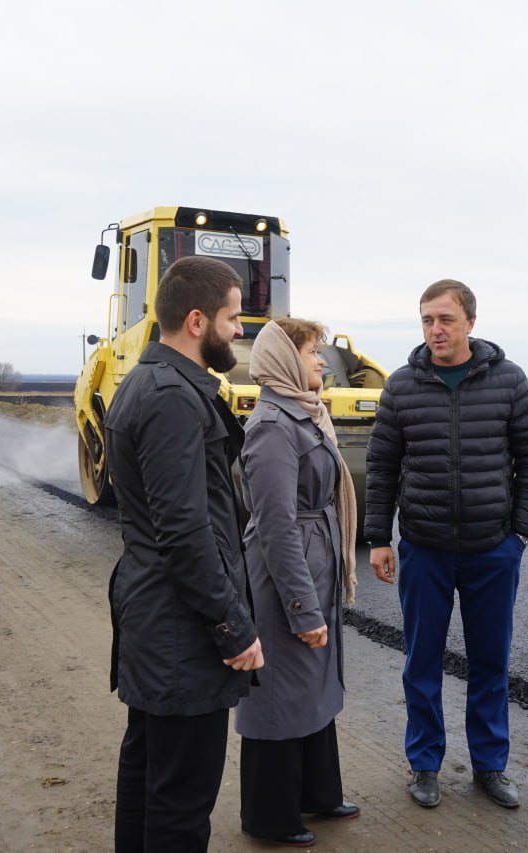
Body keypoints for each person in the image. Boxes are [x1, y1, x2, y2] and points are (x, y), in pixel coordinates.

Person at [365, 279, 528, 810]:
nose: (435, 330)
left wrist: (520, 533)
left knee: (490, 661)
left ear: (470, 321)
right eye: (426, 320)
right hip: (424, 549)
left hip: (493, 549)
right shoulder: (401, 386)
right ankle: (424, 765)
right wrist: (380, 537)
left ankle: (490, 766)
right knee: (421, 660)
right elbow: (381, 467)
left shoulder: (509, 381)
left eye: (444, 319)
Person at [104, 255, 265, 853]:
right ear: (197, 321)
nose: (240, 330)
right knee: (181, 800)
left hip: (159, 618)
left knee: (149, 776)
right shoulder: (173, 396)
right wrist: (232, 628)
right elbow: (185, 531)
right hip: (180, 629)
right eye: (232, 317)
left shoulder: (148, 382)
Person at [235, 318, 361, 848]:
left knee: (313, 682)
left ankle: (316, 792)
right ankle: (269, 814)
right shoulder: (272, 427)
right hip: (287, 571)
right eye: (311, 353)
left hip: (317, 559)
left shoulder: (306, 415)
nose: (320, 363)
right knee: (280, 691)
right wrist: (302, 608)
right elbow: (275, 526)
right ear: (285, 360)